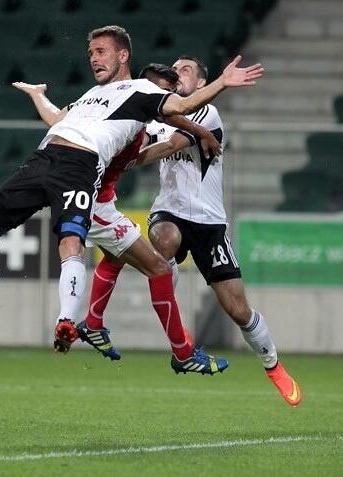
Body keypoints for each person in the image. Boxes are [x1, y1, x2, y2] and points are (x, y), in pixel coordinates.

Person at [0, 25, 263, 356]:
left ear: (123, 55)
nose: (93, 58)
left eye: (101, 51)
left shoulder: (142, 91)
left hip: (80, 167)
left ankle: (72, 321)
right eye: (90, 53)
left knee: (75, 242)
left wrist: (221, 83)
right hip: (43, 157)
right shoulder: (91, 95)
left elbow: (181, 107)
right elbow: (58, 119)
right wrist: (38, 95)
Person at [12, 63, 229, 376]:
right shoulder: (133, 116)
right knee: (158, 269)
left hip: (94, 197)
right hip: (93, 202)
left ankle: (94, 322)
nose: (165, 102)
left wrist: (37, 95)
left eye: (167, 95)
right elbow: (167, 139)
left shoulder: (123, 110)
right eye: (161, 94)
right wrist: (200, 130)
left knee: (116, 253)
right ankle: (183, 353)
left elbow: (57, 118)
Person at [123, 55, 300, 406]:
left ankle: (273, 365)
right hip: (169, 211)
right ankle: (180, 341)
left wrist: (134, 159)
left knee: (238, 310)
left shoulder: (208, 114)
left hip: (210, 224)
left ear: (201, 84)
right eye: (174, 69)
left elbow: (173, 144)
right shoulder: (159, 116)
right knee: (165, 240)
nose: (177, 72)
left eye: (185, 69)